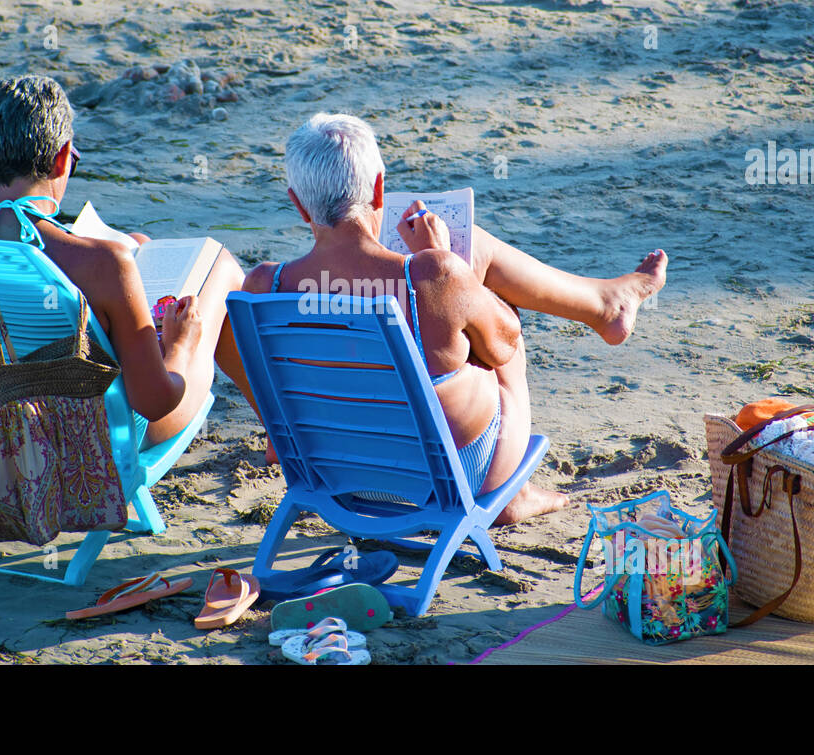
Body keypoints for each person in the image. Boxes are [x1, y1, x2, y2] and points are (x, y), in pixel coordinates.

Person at [242, 113, 667, 524]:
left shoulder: (264, 286)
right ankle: (512, 491)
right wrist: (446, 262)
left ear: (298, 205)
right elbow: (504, 342)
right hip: (448, 478)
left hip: (334, 476)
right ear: (378, 191)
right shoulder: (431, 275)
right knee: (491, 318)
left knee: (445, 319)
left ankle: (605, 305)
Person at [0, 74, 257, 445]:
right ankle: (278, 434)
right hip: (100, 441)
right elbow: (155, 403)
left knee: (137, 243)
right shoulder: (105, 264)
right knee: (220, 266)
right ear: (63, 159)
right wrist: (180, 345)